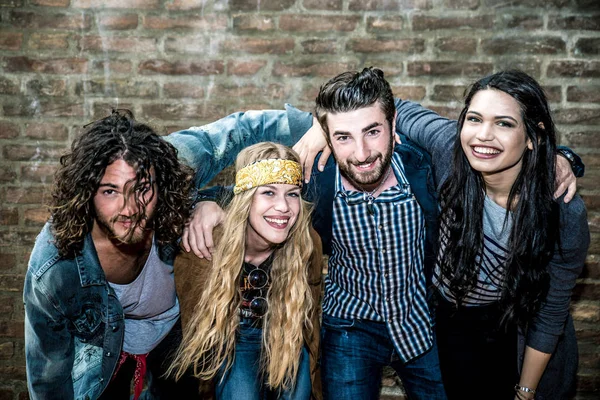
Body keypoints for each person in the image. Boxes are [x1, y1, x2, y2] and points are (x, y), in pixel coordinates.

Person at [298, 70, 589, 399]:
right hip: (434, 322)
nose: (484, 135)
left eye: (504, 123)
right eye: (475, 119)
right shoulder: (447, 148)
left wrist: (563, 158)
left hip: (501, 326)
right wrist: (318, 129)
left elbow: (550, 312)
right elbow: (393, 108)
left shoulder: (561, 211)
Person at [166, 68, 448, 399]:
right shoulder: (315, 176)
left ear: (393, 123)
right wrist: (207, 201)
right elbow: (254, 189)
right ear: (326, 135)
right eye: (343, 137)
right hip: (349, 327)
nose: (361, 153)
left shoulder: (423, 169)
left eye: (373, 132)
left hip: (417, 323)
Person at [23, 110, 200, 400]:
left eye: (142, 189)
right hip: (104, 346)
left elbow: (235, 133)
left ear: (161, 185)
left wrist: (208, 203)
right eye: (109, 191)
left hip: (172, 328)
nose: (129, 208)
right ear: (86, 194)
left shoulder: (171, 190)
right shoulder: (54, 269)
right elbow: (48, 377)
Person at [167, 142, 323, 400]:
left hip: (286, 331)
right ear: (246, 198)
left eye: (293, 194)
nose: (284, 207)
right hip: (233, 337)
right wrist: (204, 204)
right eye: (269, 193)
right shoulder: (207, 243)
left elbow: (310, 323)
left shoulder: (307, 242)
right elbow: (191, 326)